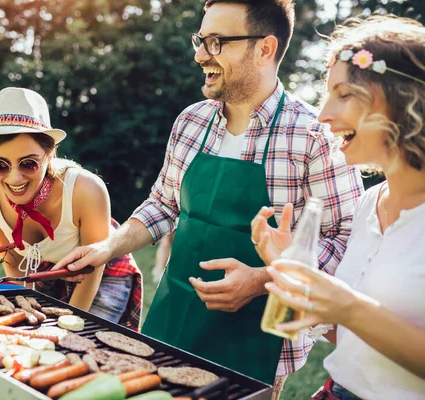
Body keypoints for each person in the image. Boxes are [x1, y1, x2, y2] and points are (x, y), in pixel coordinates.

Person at [54, 0, 364, 392]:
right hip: (174, 319)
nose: (201, 55)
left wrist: (262, 279)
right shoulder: (190, 121)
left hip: (260, 342)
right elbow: (164, 205)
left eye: (216, 42)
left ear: (265, 49)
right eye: (200, 40)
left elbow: (347, 239)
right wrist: (108, 246)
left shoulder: (314, 136)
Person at [259, 15, 425, 399]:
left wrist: (349, 307)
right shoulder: (369, 203)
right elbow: (354, 339)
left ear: (403, 99)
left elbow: (355, 313)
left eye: (344, 94)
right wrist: (296, 274)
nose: (323, 114)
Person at [0, 87, 142, 331]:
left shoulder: (86, 189)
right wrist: (22, 308)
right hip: (42, 271)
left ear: (50, 155)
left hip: (100, 272)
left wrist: (68, 327)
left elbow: (94, 267)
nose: (15, 178)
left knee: (77, 342)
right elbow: (12, 261)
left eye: (28, 163)